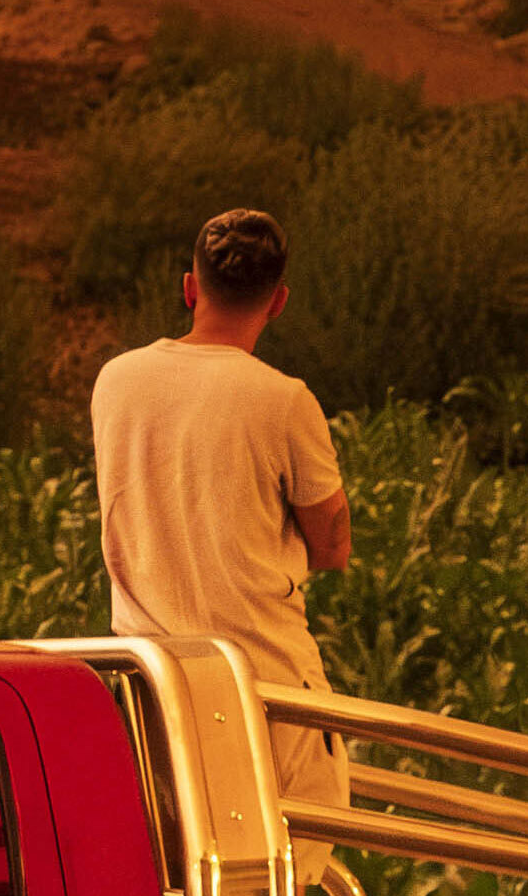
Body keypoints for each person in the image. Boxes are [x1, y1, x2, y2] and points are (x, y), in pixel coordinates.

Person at [88, 206, 355, 806]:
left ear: (190, 288)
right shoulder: (284, 401)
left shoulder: (115, 381)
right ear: (279, 301)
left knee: (172, 878)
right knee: (291, 872)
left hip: (153, 693)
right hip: (264, 689)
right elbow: (333, 548)